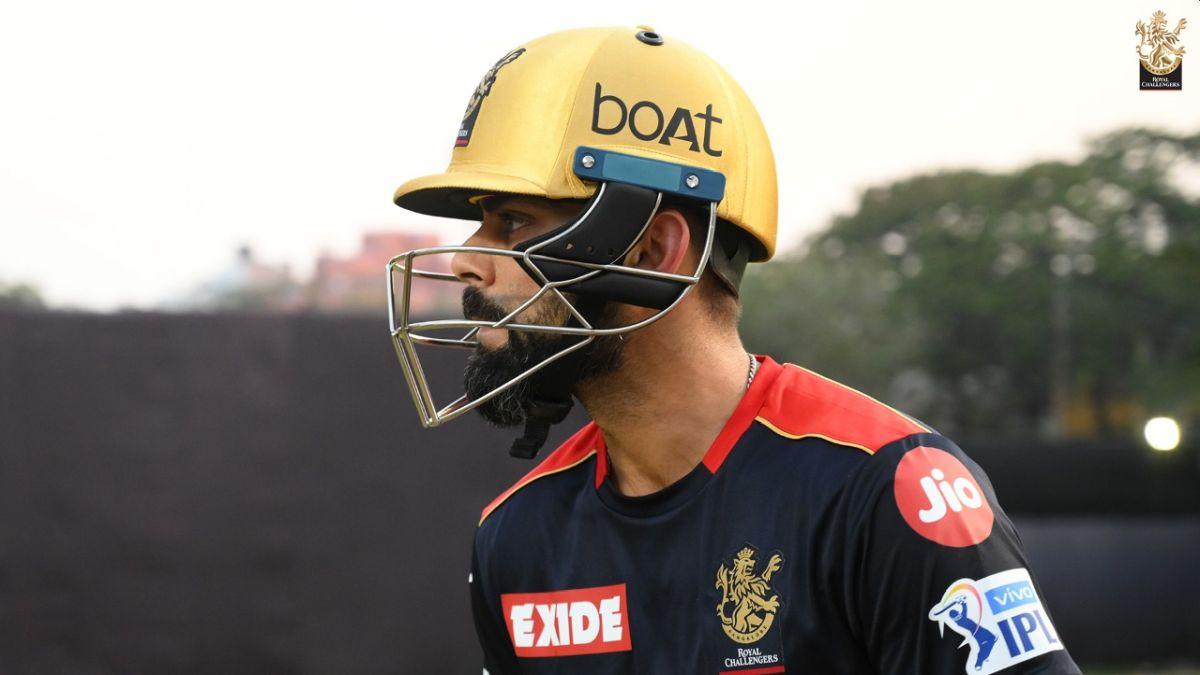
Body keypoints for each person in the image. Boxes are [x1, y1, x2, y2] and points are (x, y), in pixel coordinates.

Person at [387, 25, 1082, 675]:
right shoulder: (517, 536)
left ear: (654, 249)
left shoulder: (892, 493)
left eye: (513, 221)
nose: (468, 262)